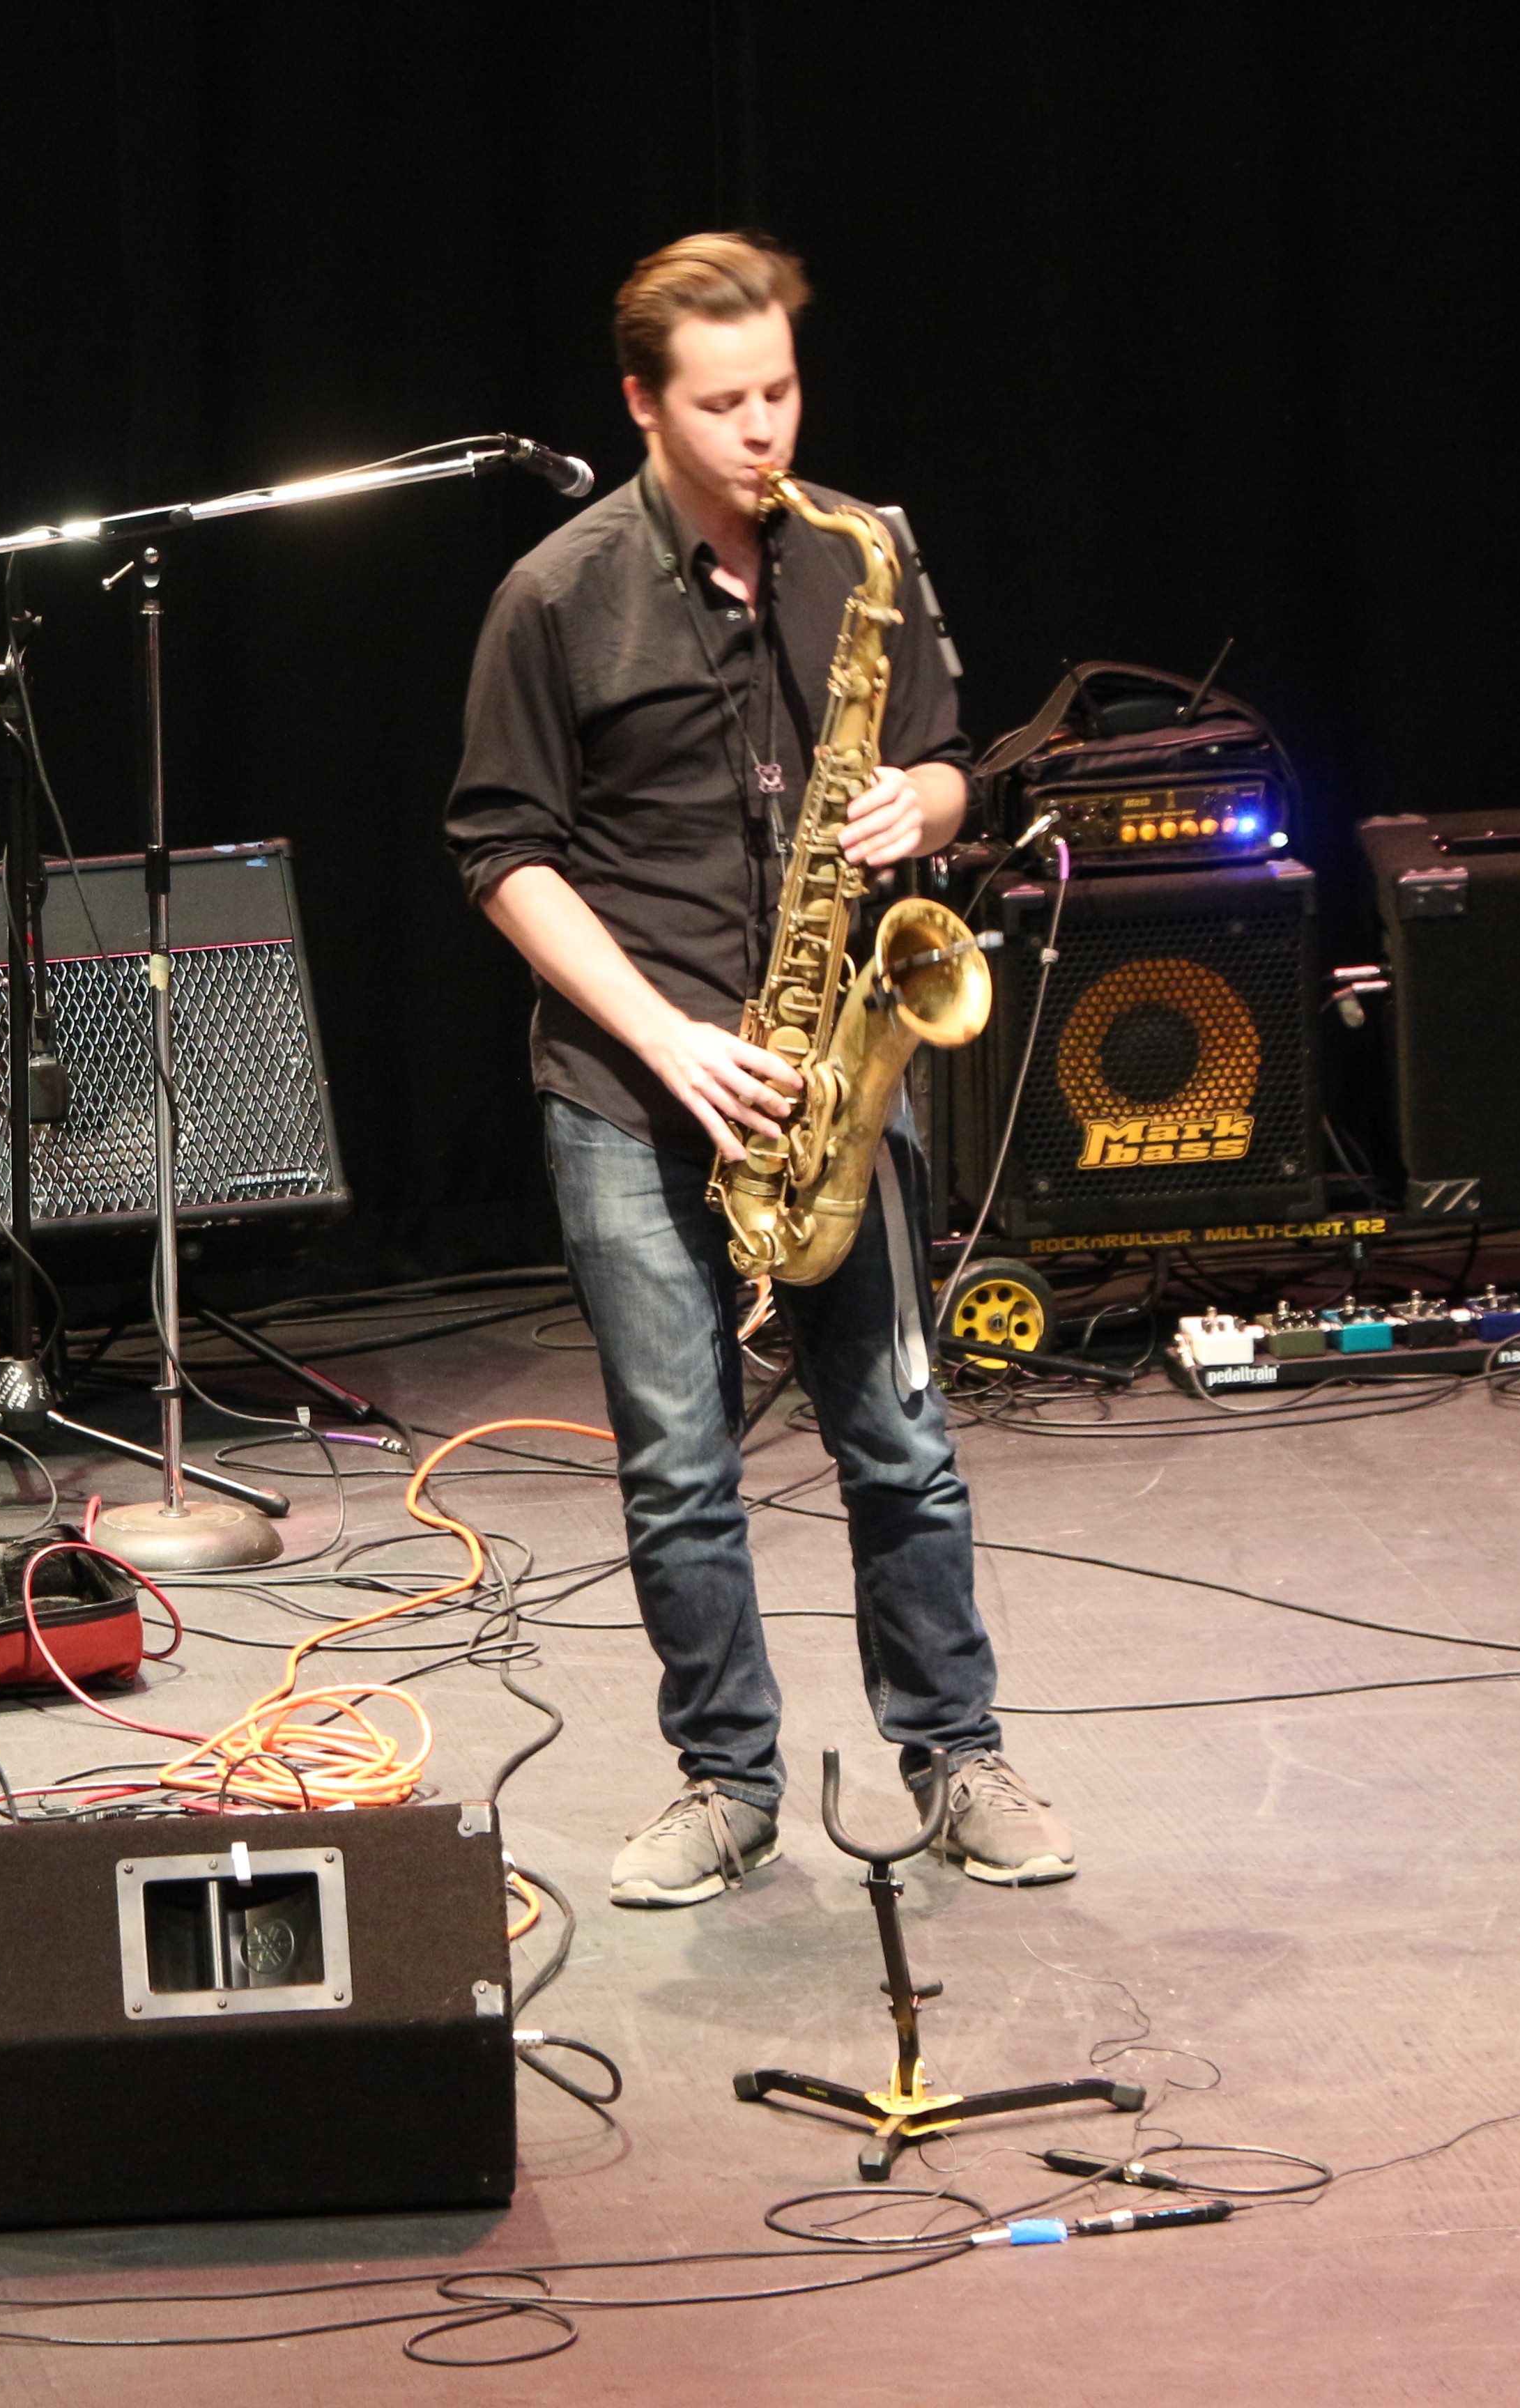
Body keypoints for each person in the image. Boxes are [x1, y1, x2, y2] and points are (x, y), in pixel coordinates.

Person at [443, 235, 1075, 1906]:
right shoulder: (557, 595)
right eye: (723, 405)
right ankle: (726, 1780)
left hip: (830, 1081)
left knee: (903, 1442)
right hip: (636, 1081)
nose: (763, 433)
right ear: (644, 405)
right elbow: (502, 854)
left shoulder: (861, 550)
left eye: (781, 392)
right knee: (678, 1461)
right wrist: (665, 1034)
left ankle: (958, 1753)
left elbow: (949, 764)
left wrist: (922, 812)